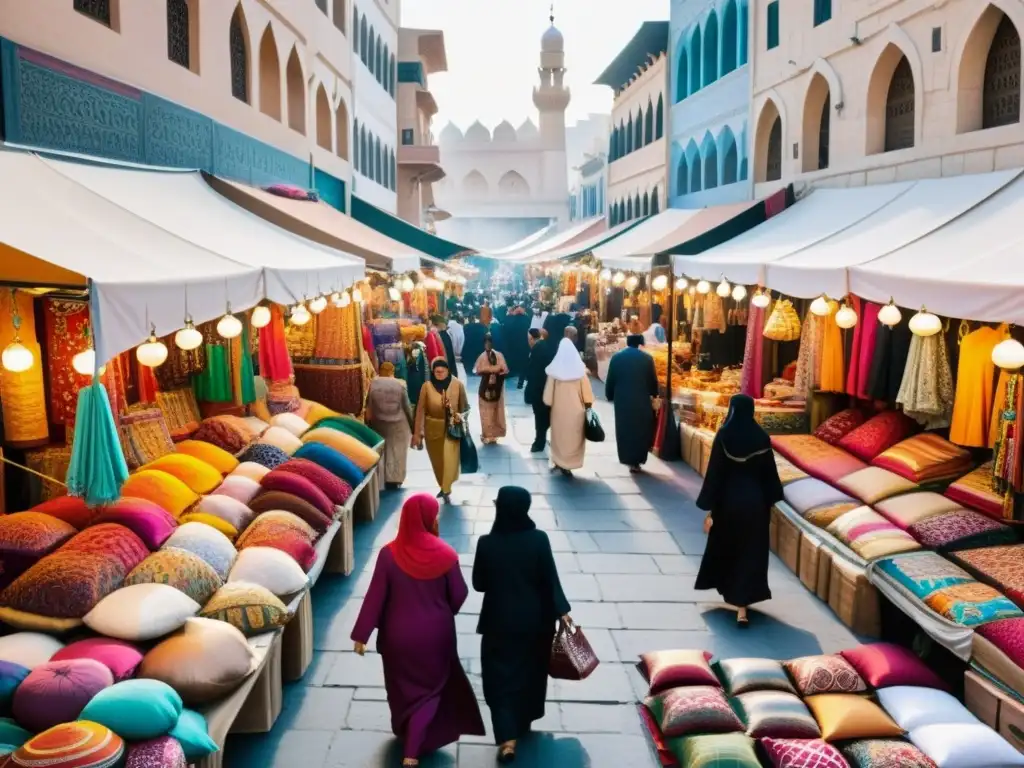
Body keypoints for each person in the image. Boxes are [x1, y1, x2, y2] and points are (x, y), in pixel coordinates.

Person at [353, 494, 485, 766]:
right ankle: (412, 753)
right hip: (436, 636)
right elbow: (459, 594)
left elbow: (375, 596)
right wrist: (442, 609)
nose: (436, 519)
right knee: (431, 691)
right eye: (435, 514)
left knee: (402, 688)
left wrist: (361, 635)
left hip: (396, 639)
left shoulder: (388, 554)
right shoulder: (446, 554)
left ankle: (407, 734)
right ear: (427, 518)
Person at [473, 486, 571, 764]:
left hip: (498, 623)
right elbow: (550, 579)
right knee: (530, 673)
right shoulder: (539, 539)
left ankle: (507, 738)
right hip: (537, 623)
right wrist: (562, 611)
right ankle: (524, 719)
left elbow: (479, 584)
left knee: (498, 680)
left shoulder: (486, 543)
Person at [695, 394, 783, 626]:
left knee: (730, 549)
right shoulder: (761, 437)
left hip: (729, 504)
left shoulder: (725, 435)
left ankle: (737, 602)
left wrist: (709, 509)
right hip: (756, 504)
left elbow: (715, 474)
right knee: (750, 553)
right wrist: (770, 501)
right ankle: (743, 607)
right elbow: (770, 475)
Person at [413, 358, 469, 504]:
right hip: (433, 429)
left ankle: (446, 488)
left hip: (452, 429)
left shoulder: (457, 385)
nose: (439, 374)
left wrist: (459, 417)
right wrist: (417, 433)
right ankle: (443, 484)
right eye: (436, 372)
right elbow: (420, 410)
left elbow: (465, 408)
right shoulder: (426, 387)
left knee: (450, 459)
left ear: (447, 371)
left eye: (442, 371)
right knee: (438, 463)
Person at [543, 329, 594, 476]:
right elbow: (587, 394)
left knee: (559, 437)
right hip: (576, 411)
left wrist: (548, 403)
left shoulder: (555, 371)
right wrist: (588, 404)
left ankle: (559, 462)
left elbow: (548, 396)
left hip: (558, 412)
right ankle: (570, 463)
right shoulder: (579, 371)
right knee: (574, 438)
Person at [605, 334, 659, 473]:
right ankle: (637, 460)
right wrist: (654, 395)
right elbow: (653, 381)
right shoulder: (647, 358)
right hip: (641, 399)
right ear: (639, 343)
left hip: (622, 399)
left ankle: (627, 458)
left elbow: (610, 379)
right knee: (640, 429)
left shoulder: (617, 357)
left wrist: (609, 395)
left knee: (624, 428)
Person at [366, 362, 415, 488]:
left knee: (382, 451)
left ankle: (382, 478)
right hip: (399, 424)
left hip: (379, 423)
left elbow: (368, 405)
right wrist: (413, 425)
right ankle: (395, 479)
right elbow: (406, 406)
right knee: (397, 451)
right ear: (392, 371)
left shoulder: (372, 384)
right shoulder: (400, 384)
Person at [524, 329, 555, 453]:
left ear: (532, 338)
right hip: (544, 388)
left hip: (539, 389)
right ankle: (541, 439)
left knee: (540, 416)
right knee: (543, 416)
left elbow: (535, 372)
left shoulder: (537, 349)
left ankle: (539, 442)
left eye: (528, 339)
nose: (528, 342)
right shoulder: (544, 347)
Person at [474, 333, 509, 445]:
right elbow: (505, 370)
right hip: (497, 387)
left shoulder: (482, 356)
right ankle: (492, 435)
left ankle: (489, 435)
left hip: (487, 386)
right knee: (495, 410)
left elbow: (477, 370)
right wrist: (496, 371)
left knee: (487, 411)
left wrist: (488, 371)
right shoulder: (499, 355)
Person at [462, 314, 487, 378]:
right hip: (479, 345)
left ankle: (469, 370)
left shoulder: (465, 327)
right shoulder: (482, 326)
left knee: (469, 358)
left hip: (468, 345)